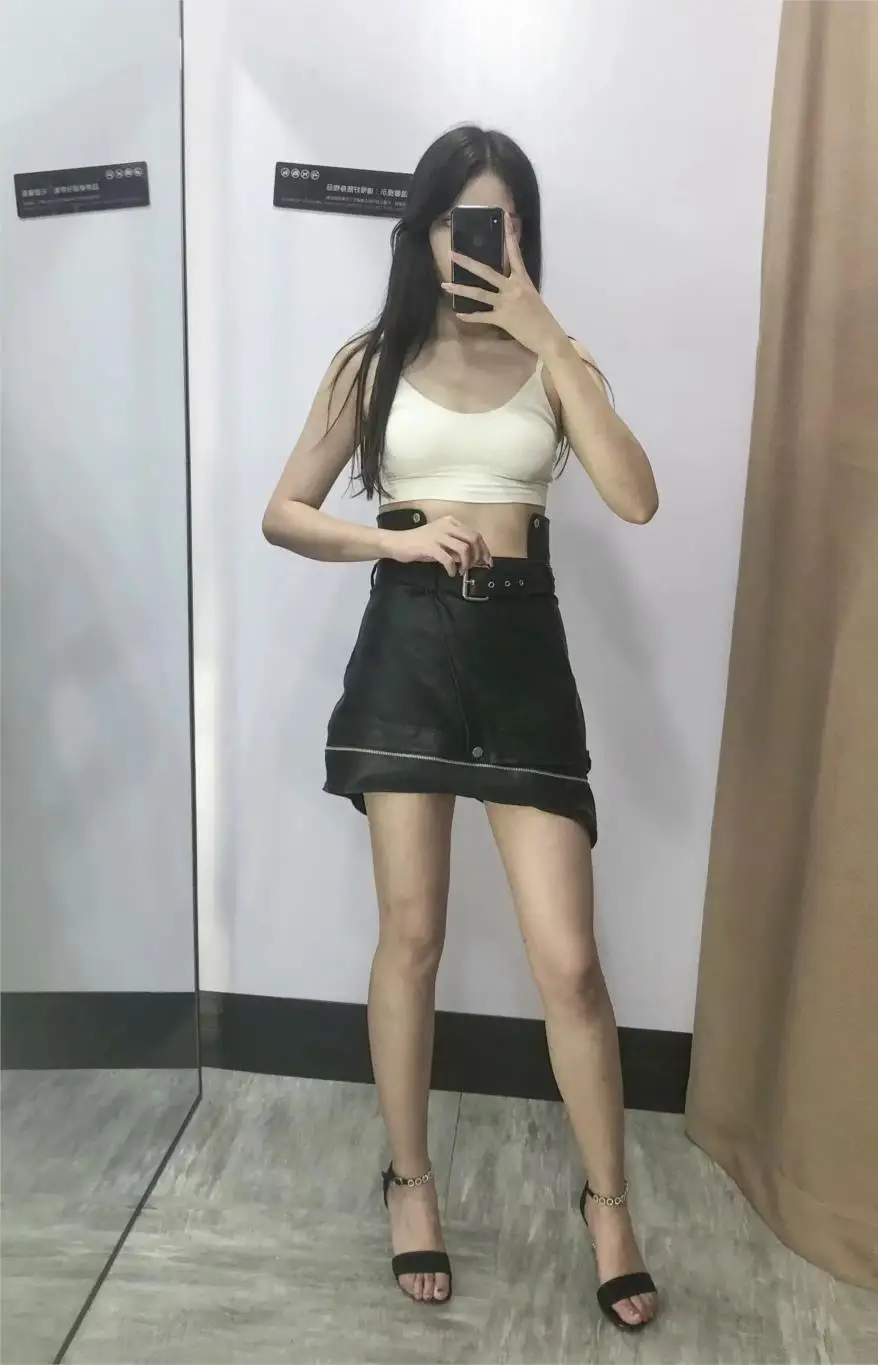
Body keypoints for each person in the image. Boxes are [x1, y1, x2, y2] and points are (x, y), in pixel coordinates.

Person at [262, 125, 660, 1332]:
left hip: (522, 652)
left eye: (502, 221)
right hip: (410, 647)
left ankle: (608, 1207)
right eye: (457, 221)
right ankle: (410, 1183)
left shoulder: (557, 359)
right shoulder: (370, 361)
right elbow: (284, 512)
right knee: (414, 938)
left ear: (524, 235)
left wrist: (549, 337)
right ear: (423, 231)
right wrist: (388, 539)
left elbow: (636, 498)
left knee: (569, 963)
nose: (477, 242)